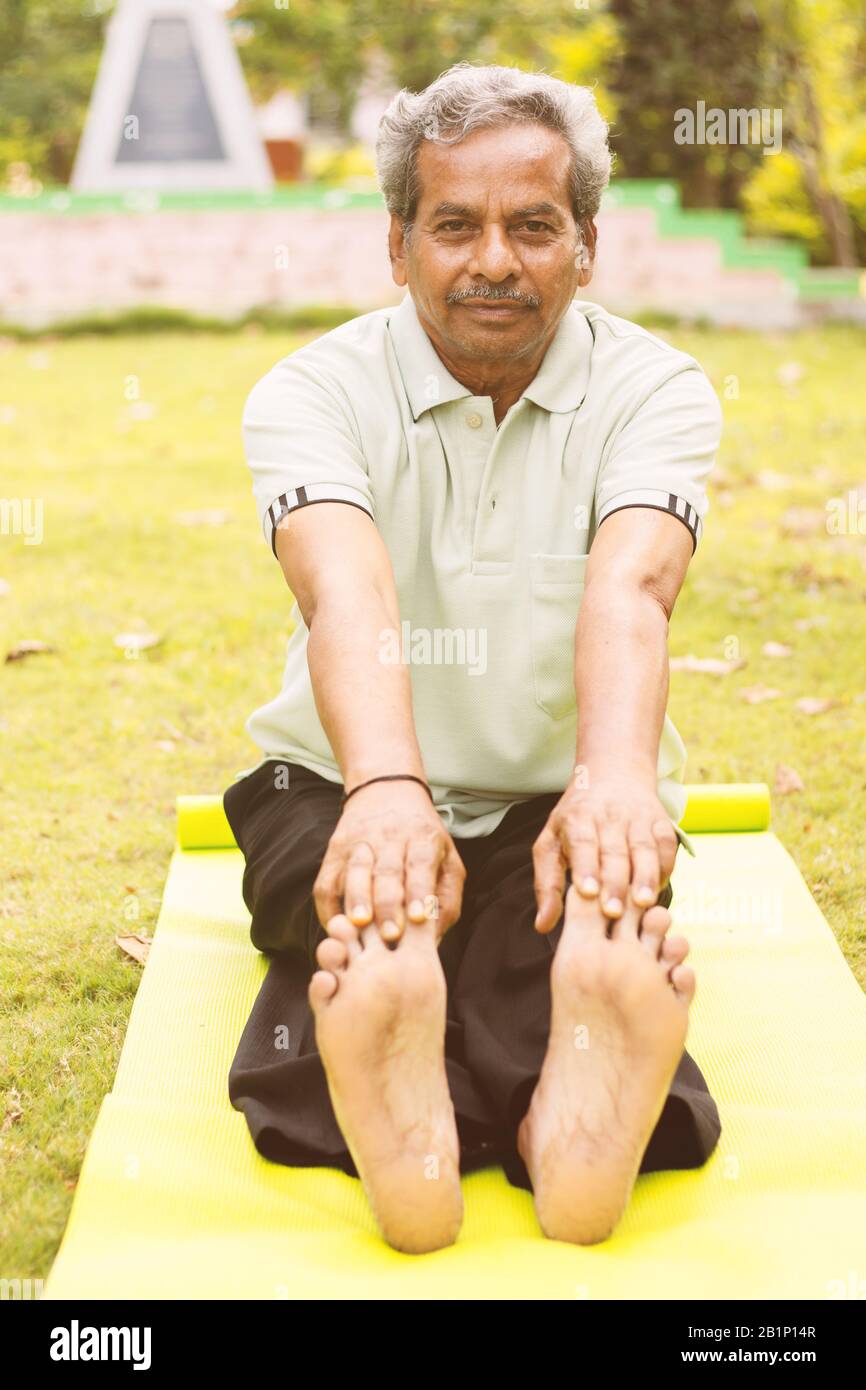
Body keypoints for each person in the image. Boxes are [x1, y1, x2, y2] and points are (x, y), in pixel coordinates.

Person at [224, 62, 723, 1255]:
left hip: (560, 794)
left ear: (587, 246)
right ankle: (527, 1109)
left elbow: (632, 585)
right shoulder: (309, 392)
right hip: (338, 780)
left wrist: (611, 783)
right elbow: (343, 587)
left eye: (531, 226)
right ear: (396, 245)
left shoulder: (656, 388)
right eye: (454, 225)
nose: (492, 260)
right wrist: (387, 795)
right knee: (363, 909)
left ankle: (454, 1123)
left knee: (561, 923)